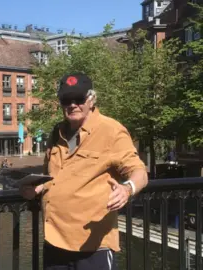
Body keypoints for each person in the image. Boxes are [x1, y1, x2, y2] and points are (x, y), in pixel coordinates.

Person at [20, 73, 148, 270]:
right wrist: (36, 191)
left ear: (91, 99)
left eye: (78, 99)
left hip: (93, 246)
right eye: (66, 100)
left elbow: (139, 171)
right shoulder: (56, 133)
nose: (72, 105)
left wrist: (127, 189)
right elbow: (52, 179)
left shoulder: (111, 131)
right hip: (55, 241)